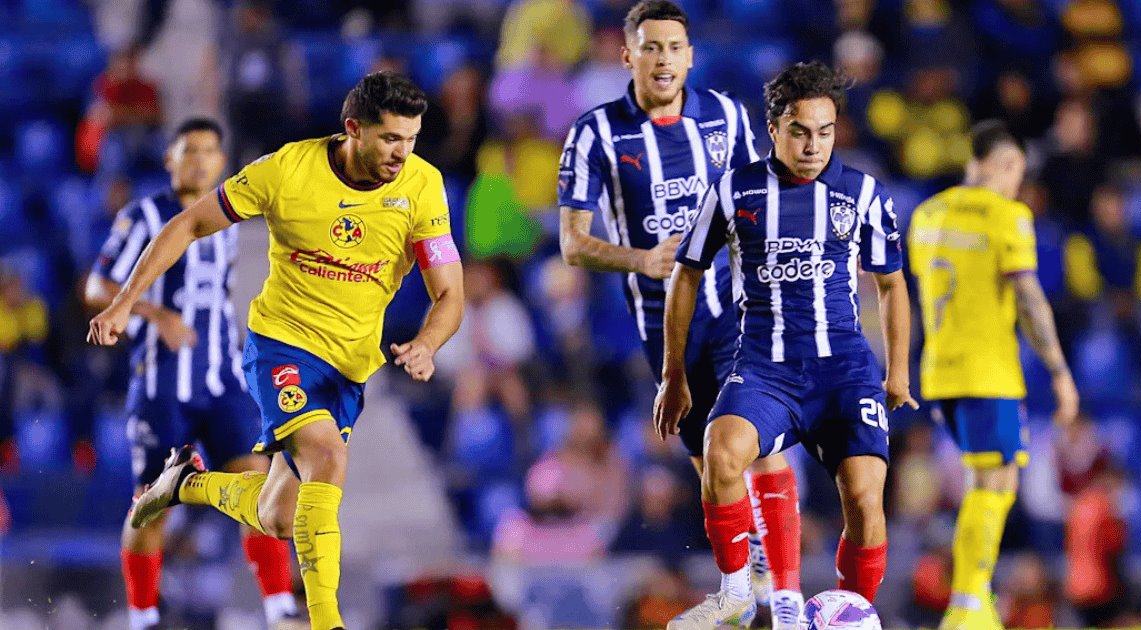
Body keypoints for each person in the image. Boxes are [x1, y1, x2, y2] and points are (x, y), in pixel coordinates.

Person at [87, 72, 465, 630]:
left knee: (278, 516)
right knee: (328, 460)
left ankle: (185, 484)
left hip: (348, 369)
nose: (401, 153)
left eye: (410, 139)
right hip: (281, 347)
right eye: (389, 139)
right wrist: (124, 303)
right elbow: (189, 224)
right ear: (353, 128)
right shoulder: (286, 171)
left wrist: (429, 343)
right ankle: (324, 621)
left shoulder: (422, 186)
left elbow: (450, 292)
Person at [557, 1, 803, 622]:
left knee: (757, 443)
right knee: (709, 463)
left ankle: (787, 591)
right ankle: (743, 591)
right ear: (627, 55)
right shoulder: (595, 132)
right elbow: (572, 243)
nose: (663, 58)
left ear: (690, 56)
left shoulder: (725, 115)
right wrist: (642, 259)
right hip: (664, 325)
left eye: (674, 47)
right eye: (650, 47)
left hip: (737, 309)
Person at [656, 61, 916, 629]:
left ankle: (857, 613)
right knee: (720, 454)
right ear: (774, 128)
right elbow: (686, 275)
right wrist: (675, 374)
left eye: (825, 132)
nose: (813, 145)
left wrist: (897, 371)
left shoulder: (862, 192)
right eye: (800, 131)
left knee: (866, 498)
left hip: (844, 370)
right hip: (766, 368)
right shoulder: (735, 189)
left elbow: (892, 284)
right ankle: (735, 591)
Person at [84, 118, 301, 630]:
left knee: (259, 483)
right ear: (170, 160)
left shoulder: (228, 218)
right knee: (152, 505)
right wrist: (154, 316)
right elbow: (97, 286)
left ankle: (278, 607)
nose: (200, 160)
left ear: (222, 163)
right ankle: (143, 616)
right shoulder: (144, 215)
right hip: (164, 384)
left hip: (221, 379)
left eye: (209, 151)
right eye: (189, 150)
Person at [907, 119, 1079, 630]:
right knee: (995, 482)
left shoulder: (926, 214)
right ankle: (968, 603)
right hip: (988, 370)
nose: (1016, 184)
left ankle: (970, 598)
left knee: (985, 480)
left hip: (939, 370)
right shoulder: (1008, 216)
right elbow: (1027, 296)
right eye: (1016, 173)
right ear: (1005, 164)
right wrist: (1060, 372)